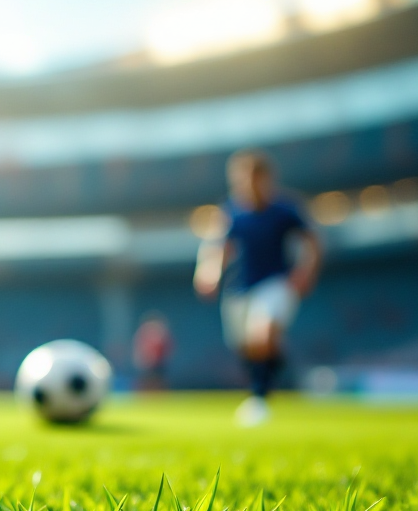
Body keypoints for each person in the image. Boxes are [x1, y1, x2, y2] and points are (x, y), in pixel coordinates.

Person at [194, 149, 322, 426]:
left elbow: (312, 242)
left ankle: (259, 399)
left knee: (260, 335)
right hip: (238, 289)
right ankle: (278, 366)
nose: (247, 185)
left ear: (266, 178)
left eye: (253, 178)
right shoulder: (231, 213)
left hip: (275, 284)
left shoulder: (284, 210)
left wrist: (305, 272)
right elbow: (217, 248)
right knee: (247, 348)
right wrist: (208, 272)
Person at [132, 311, 173, 392]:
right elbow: (139, 348)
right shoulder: (143, 331)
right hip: (146, 363)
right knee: (146, 382)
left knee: (158, 382)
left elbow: (168, 347)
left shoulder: (161, 332)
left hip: (158, 364)